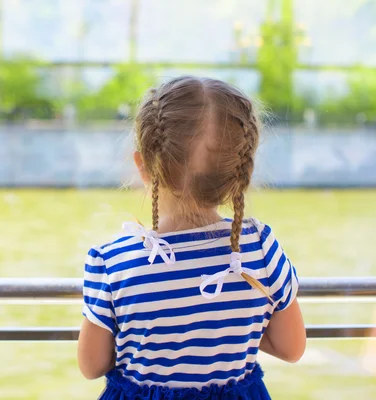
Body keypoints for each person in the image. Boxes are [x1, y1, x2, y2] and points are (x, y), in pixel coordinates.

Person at [77, 76, 306, 399]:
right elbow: (292, 347)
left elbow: (91, 365)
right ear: (240, 172)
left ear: (143, 166)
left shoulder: (112, 261)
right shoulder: (260, 248)